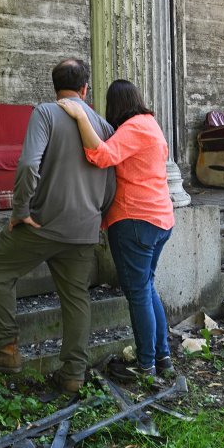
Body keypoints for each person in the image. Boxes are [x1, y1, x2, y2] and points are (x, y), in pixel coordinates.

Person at [0, 58, 116, 394]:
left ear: (54, 86)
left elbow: (27, 165)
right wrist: (98, 214)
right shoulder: (104, 126)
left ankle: (7, 349)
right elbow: (112, 182)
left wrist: (19, 209)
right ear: (85, 88)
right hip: (84, 227)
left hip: (41, 223)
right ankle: (73, 374)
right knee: (76, 298)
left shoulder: (45, 113)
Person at [57, 79, 175, 384]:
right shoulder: (151, 123)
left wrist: (82, 116)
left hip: (136, 220)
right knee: (147, 288)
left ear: (116, 105)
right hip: (160, 218)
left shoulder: (134, 127)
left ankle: (146, 365)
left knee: (138, 293)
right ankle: (162, 359)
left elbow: (101, 155)